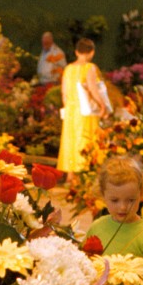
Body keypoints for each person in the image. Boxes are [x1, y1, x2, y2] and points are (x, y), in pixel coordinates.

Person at [85, 156, 143, 260]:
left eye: (131, 200)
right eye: (115, 200)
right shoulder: (96, 228)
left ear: (141, 194)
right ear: (102, 195)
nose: (123, 207)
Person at [58, 38, 107, 181]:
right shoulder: (89, 67)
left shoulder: (68, 69)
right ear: (91, 52)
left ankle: (70, 176)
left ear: (76, 52)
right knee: (85, 139)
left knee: (70, 140)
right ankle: (83, 175)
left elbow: (64, 93)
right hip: (85, 111)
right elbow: (93, 89)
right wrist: (102, 104)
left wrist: (68, 106)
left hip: (71, 110)